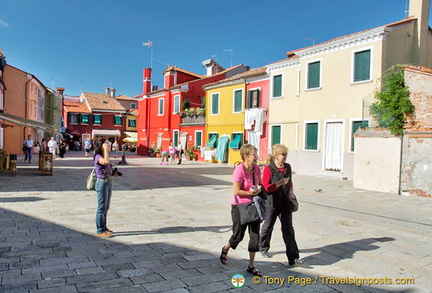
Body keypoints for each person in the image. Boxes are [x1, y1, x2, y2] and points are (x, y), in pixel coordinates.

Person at [220, 144, 264, 277]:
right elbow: (236, 191)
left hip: (253, 205)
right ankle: (226, 248)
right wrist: (249, 192)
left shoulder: (256, 169)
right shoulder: (239, 170)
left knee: (255, 235)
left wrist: (258, 189)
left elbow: (260, 184)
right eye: (254, 154)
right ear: (245, 156)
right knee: (238, 235)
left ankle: (251, 265)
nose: (256, 157)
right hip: (239, 207)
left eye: (256, 154)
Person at [259, 144, 303, 266]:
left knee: (288, 229)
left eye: (286, 154)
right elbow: (267, 188)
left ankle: (293, 257)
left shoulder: (288, 167)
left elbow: (290, 181)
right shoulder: (269, 168)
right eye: (283, 154)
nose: (285, 157)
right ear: (276, 155)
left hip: (285, 203)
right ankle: (263, 247)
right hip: (272, 202)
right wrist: (280, 183)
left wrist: (292, 191)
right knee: (268, 226)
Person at [93, 138, 115, 238]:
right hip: (101, 183)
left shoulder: (105, 155)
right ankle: (100, 230)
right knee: (101, 207)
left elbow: (107, 167)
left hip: (108, 182)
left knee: (106, 207)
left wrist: (114, 173)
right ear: (101, 145)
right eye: (106, 143)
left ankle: (104, 227)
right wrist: (105, 150)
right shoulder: (98, 156)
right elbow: (105, 162)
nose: (109, 144)